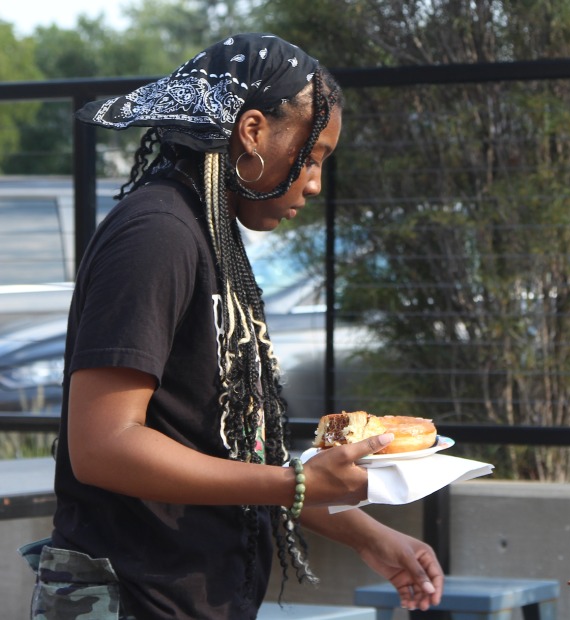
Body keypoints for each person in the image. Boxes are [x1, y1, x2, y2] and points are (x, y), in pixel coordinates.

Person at [24, 34, 444, 619]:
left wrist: (372, 536)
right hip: (130, 601)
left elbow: (230, 455)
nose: (315, 182)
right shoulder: (157, 233)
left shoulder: (211, 234)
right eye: (314, 154)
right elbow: (102, 446)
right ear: (251, 132)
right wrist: (294, 484)